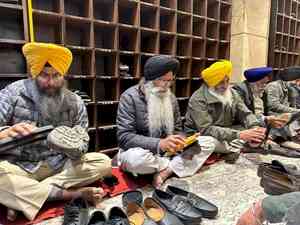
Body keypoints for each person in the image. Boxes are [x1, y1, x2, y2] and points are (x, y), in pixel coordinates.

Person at [0, 42, 111, 221]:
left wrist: (69, 144)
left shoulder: (75, 102)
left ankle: (20, 197)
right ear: (34, 73)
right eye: (44, 75)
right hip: (19, 165)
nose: (50, 82)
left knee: (103, 162)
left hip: (59, 165)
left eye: (56, 75)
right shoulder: (13, 93)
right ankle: (72, 195)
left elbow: (83, 146)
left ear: (64, 75)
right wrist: (6, 132)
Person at [117, 55, 203, 188]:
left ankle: (164, 172)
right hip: (142, 152)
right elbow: (124, 137)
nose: (167, 85)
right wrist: (160, 143)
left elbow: (178, 129)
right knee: (136, 160)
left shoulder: (171, 98)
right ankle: (174, 166)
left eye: (171, 81)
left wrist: (181, 140)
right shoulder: (129, 97)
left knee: (206, 142)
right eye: (162, 80)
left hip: (167, 153)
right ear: (149, 80)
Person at [184, 60, 266, 162]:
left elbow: (245, 114)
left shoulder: (232, 93)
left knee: (257, 131)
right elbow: (206, 129)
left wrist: (255, 128)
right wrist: (239, 135)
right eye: (221, 82)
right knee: (208, 142)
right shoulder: (198, 99)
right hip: (203, 135)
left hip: (226, 132)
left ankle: (231, 148)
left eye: (227, 81)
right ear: (211, 83)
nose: (226, 85)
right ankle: (233, 147)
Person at [264, 67, 300, 142]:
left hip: (283, 114)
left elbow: (293, 103)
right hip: (271, 114)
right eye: (296, 80)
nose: (297, 83)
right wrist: (296, 111)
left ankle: (291, 135)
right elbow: (273, 105)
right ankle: (273, 137)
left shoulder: (290, 87)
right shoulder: (274, 86)